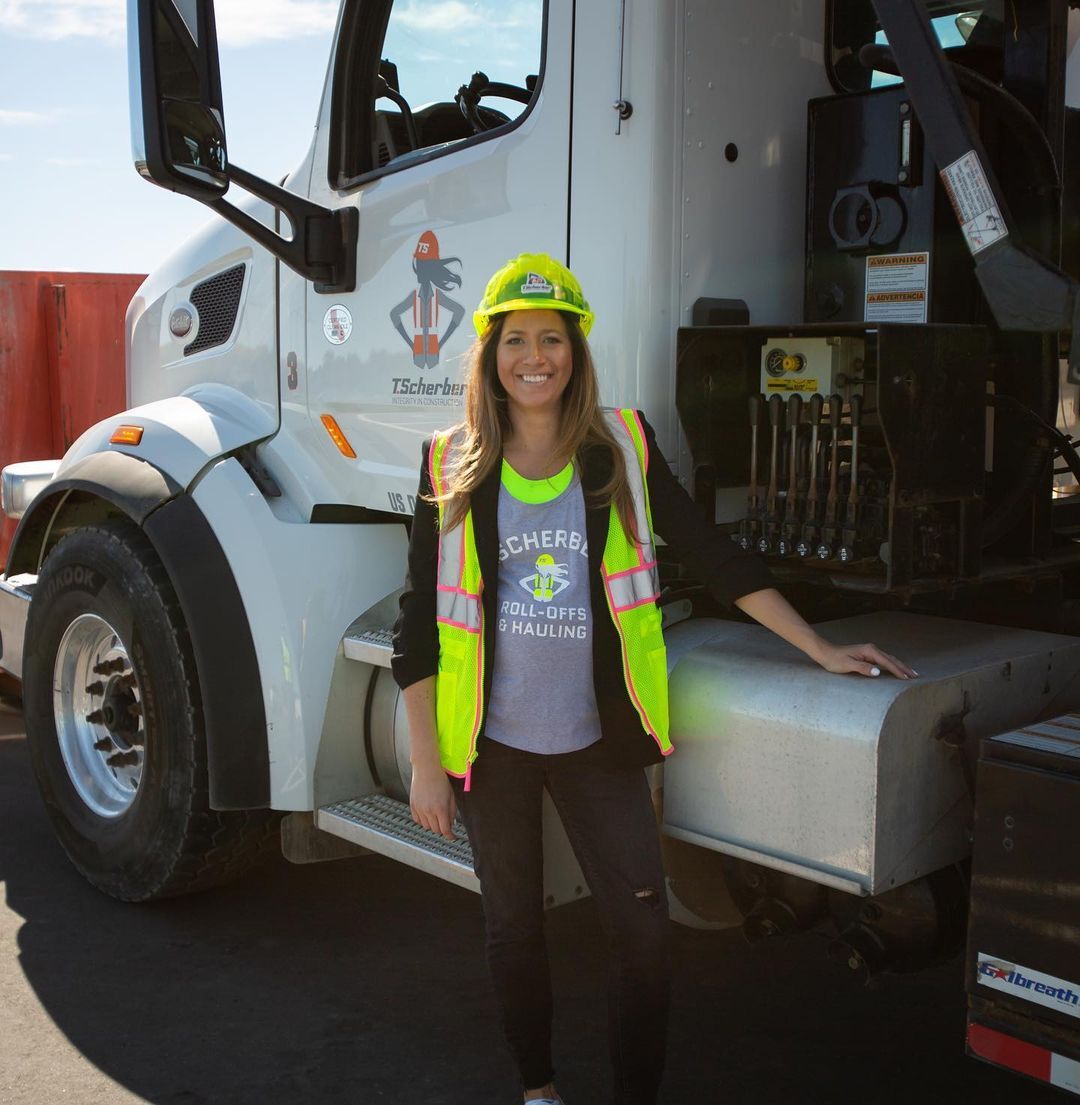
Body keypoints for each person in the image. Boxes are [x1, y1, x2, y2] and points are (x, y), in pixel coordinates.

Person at [391, 253, 915, 1105]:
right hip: (494, 749)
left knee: (641, 934)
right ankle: (540, 1088)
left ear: (576, 349)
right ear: (489, 354)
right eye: (516, 338)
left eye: (552, 338)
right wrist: (425, 762)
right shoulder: (449, 463)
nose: (535, 356)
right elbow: (420, 625)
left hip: (600, 740)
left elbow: (713, 555)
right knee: (513, 932)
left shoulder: (624, 447)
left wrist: (816, 647)